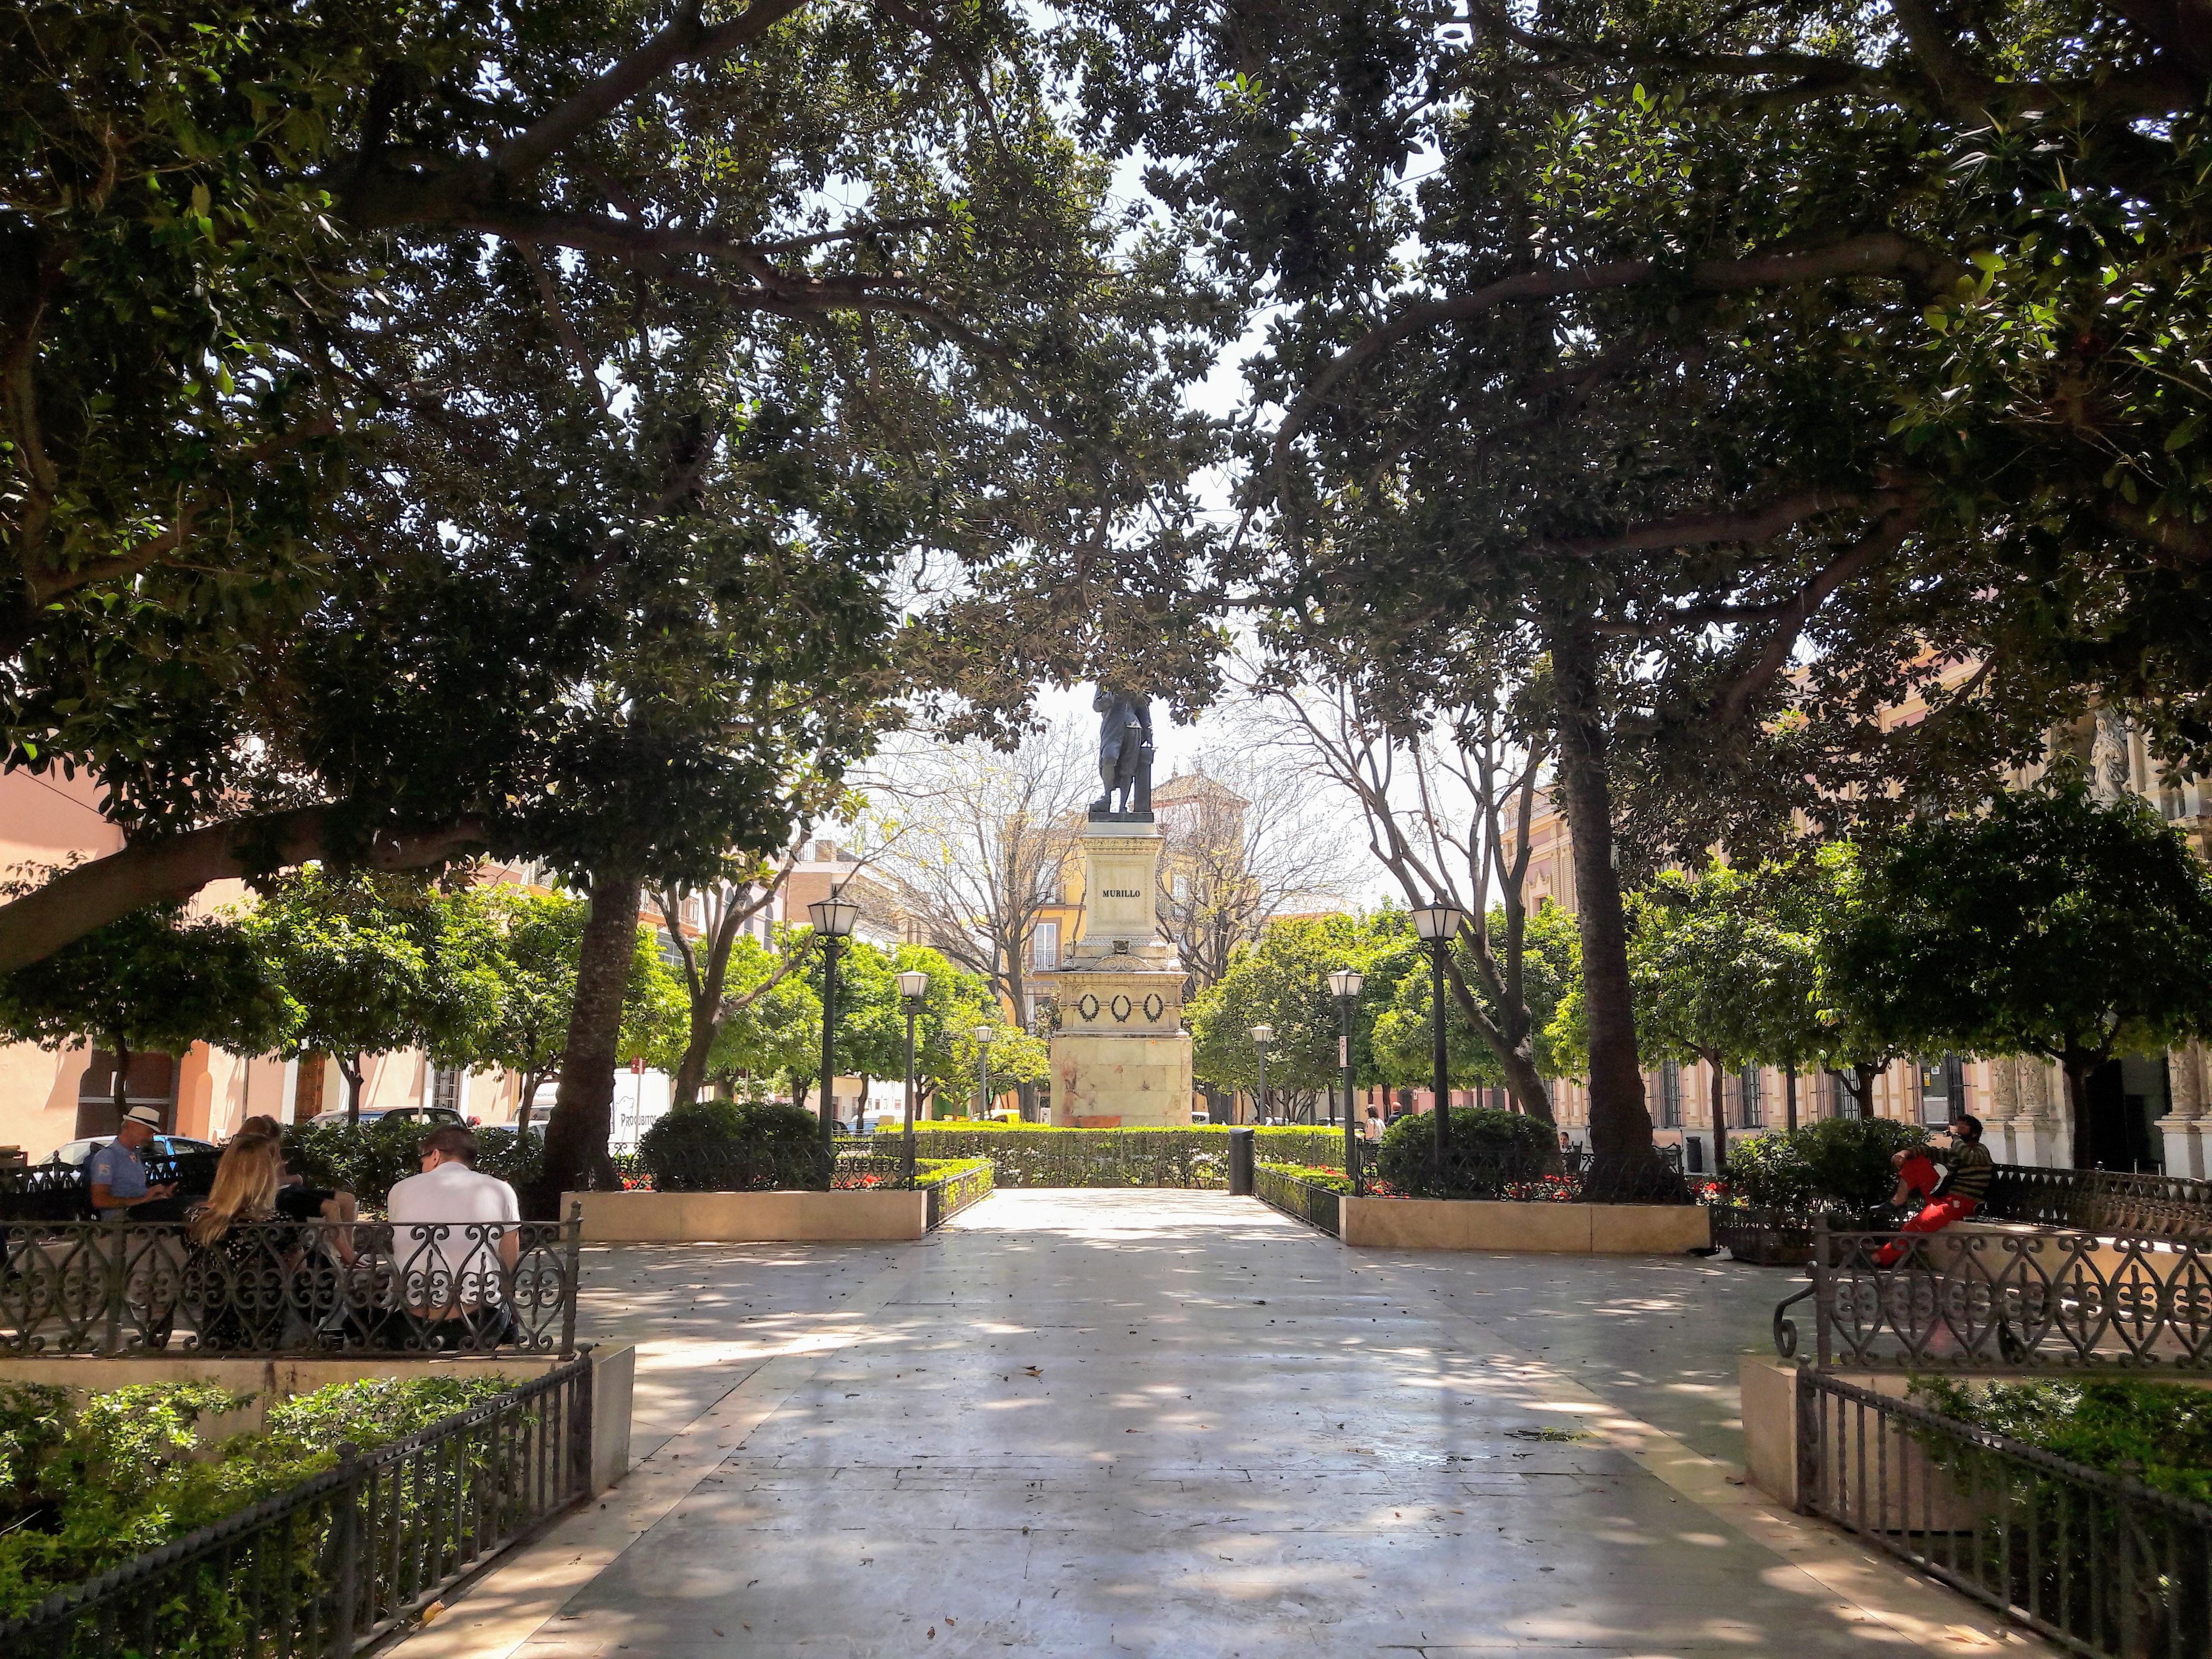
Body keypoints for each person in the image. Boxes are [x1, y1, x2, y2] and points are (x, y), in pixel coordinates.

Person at [385, 1125, 521, 1349]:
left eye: (423, 1159)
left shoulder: (400, 1190)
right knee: (508, 1310)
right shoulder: (501, 1190)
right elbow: (509, 1262)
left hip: (413, 1325)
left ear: (436, 1155)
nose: (423, 1166)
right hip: (479, 1324)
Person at [183, 1138, 297, 1349]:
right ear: (265, 1177)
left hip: (215, 1324)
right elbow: (299, 1272)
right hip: (265, 1326)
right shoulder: (278, 1223)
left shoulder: (197, 1218)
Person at [1874, 1114, 1996, 1266]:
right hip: (1944, 1197)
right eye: (1958, 1126)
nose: (1958, 1129)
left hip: (1961, 1203)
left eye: (1963, 1127)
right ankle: (1897, 1201)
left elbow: (1966, 1155)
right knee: (1916, 1160)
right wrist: (1906, 1153)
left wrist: (1955, 1137)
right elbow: (1929, 1152)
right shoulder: (1957, 1151)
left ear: (1975, 1133)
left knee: (1915, 1226)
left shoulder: (1980, 1151)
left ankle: (1880, 1258)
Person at [86, 1104, 184, 1220]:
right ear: (132, 1126)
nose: (150, 1138)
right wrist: (143, 1200)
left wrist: (156, 1194)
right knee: (189, 1205)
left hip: (139, 1213)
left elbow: (135, 1192)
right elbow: (99, 1200)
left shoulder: (135, 1155)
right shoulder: (107, 1156)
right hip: (122, 1219)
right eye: (149, 1132)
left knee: (195, 1202)